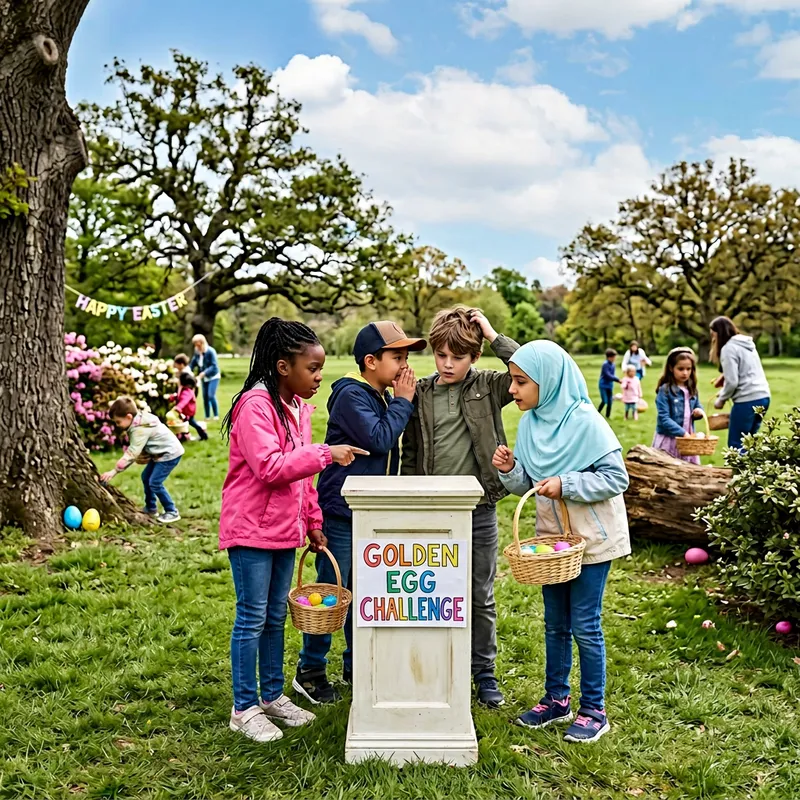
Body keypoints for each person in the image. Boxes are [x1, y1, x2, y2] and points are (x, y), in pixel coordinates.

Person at [219, 317, 368, 743]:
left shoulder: (298, 410)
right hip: (250, 531)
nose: (319, 377)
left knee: (276, 616)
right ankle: (243, 708)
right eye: (313, 369)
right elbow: (269, 468)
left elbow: (301, 480)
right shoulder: (256, 406)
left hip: (285, 531)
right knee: (251, 618)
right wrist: (326, 453)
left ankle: (271, 697)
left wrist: (314, 523)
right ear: (284, 367)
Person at [491, 340, 630, 743]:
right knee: (555, 623)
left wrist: (567, 483)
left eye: (520, 382)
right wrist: (511, 469)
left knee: (585, 624)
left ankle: (594, 709)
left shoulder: (586, 421)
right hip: (554, 544)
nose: (513, 390)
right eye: (512, 382)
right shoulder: (533, 423)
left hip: (591, 540)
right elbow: (530, 486)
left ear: (548, 382)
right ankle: (556, 699)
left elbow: (616, 478)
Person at [295, 321, 426, 704]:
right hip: (343, 512)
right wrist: (403, 400)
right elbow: (380, 438)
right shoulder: (352, 396)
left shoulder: (379, 393)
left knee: (367, 592)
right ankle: (311, 669)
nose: (404, 366)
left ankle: (357, 665)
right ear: (371, 361)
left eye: (406, 357)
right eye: (397, 357)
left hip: (373, 511)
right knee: (334, 590)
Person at [401, 307, 520, 708]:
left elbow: (527, 369)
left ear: (474, 357)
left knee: (479, 595)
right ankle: (435, 666)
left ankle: (483, 673)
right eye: (441, 355)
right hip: (432, 510)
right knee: (431, 593)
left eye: (458, 356)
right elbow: (411, 451)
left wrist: (490, 331)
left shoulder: (489, 385)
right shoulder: (421, 392)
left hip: (479, 509)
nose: (448, 364)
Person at [100, 396, 185, 523]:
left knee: (155, 482)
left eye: (118, 422)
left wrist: (113, 472)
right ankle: (151, 508)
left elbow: (131, 454)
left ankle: (172, 511)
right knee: (146, 478)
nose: (117, 425)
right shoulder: (140, 420)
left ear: (129, 417)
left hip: (169, 454)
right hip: (160, 454)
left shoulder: (139, 429)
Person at [710, 316, 771, 452]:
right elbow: (746, 370)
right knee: (750, 444)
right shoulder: (747, 345)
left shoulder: (728, 348)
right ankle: (752, 472)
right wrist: (724, 378)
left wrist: (721, 400)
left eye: (713, 335)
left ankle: (738, 473)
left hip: (747, 400)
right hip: (763, 397)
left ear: (718, 333)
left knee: (736, 444)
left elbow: (733, 382)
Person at [652, 347, 705, 465]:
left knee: (688, 469)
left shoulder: (692, 389)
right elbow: (664, 418)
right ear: (671, 368)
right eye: (680, 369)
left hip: (687, 439)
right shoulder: (665, 390)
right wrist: (683, 433)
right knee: (668, 468)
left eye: (688, 369)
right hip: (670, 439)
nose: (685, 372)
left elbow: (697, 404)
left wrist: (699, 411)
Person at [174, 353, 207, 440]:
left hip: (187, 410)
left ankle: (203, 434)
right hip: (186, 409)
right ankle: (184, 436)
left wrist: (178, 407)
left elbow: (184, 400)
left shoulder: (187, 389)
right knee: (185, 422)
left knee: (191, 422)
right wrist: (173, 397)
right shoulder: (184, 387)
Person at [189, 334, 221, 421]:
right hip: (203, 378)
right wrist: (188, 370)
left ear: (202, 343)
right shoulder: (197, 352)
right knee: (205, 397)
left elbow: (214, 366)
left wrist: (204, 373)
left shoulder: (210, 351)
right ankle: (207, 416)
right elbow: (193, 363)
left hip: (213, 376)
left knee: (211, 395)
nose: (196, 346)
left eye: (198, 344)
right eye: (195, 344)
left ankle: (215, 415)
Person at [597, 349, 620, 419]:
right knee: (604, 400)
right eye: (614, 357)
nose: (615, 358)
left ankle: (608, 416)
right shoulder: (605, 364)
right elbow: (608, 375)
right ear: (609, 357)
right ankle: (597, 412)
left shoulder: (613, 365)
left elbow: (612, 375)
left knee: (610, 402)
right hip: (603, 385)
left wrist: (616, 380)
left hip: (610, 385)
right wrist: (617, 379)